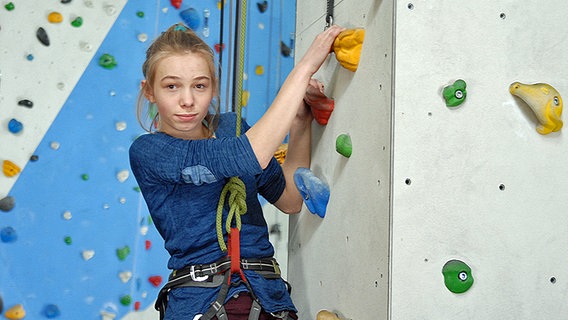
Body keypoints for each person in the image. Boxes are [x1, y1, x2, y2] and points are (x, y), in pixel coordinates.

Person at [129, 22, 344, 320]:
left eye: (199, 86)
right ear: (149, 91)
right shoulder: (150, 151)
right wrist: (305, 66)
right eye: (171, 86)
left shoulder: (231, 128)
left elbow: (290, 199)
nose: (188, 100)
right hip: (200, 303)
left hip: (268, 299)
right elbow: (246, 156)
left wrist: (299, 123)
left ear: (213, 88)